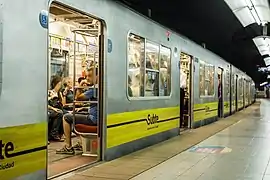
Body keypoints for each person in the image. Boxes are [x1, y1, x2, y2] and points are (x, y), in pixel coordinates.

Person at [56, 67, 98, 155]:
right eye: (86, 77)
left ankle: (68, 147)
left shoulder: (95, 88)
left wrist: (80, 85)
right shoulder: (100, 87)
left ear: (97, 76)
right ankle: (81, 143)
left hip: (93, 119)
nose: (87, 79)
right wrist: (84, 108)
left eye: (90, 76)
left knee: (66, 117)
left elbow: (78, 99)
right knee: (76, 113)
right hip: (97, 116)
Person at [48, 75, 65, 142]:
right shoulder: (50, 92)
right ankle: (54, 133)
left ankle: (61, 133)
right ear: (54, 84)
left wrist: (62, 95)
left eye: (60, 85)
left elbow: (63, 104)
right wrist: (53, 108)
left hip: (59, 108)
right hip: (51, 108)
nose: (59, 86)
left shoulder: (59, 93)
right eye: (58, 84)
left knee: (66, 113)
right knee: (60, 113)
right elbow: (46, 104)